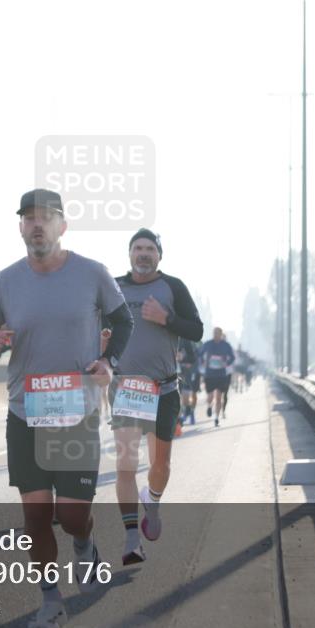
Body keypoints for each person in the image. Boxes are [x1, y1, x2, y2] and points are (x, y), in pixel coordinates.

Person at [0, 189, 133, 628]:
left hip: (77, 412)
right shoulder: (3, 282)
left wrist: (108, 361)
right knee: (36, 517)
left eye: (46, 217)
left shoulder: (92, 273)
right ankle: (50, 600)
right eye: (29, 218)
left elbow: (124, 321)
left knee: (73, 516)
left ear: (62, 225)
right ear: (20, 227)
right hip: (26, 413)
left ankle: (85, 543)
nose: (37, 224)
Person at [109, 229, 203, 565]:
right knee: (126, 465)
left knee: (160, 465)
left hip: (163, 388)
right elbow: (92, 325)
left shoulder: (173, 287)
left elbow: (197, 330)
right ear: (129, 254)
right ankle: (132, 539)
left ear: (159, 255)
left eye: (150, 248)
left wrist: (167, 319)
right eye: (138, 248)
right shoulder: (113, 287)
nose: (144, 253)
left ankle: (153, 499)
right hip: (127, 388)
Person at [200, 327, 235, 427]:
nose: (215, 335)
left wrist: (226, 363)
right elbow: (200, 354)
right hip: (210, 374)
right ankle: (209, 406)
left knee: (219, 397)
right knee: (210, 396)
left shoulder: (226, 345)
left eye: (217, 333)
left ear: (221, 334)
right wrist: (203, 362)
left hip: (221, 374)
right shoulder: (208, 344)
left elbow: (232, 357)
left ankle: (216, 418)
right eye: (214, 333)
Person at [177, 338, 201, 427]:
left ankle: (191, 412)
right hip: (182, 374)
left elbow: (196, 358)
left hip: (193, 373)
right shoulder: (176, 341)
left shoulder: (194, 343)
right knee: (184, 397)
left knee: (193, 395)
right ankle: (187, 412)